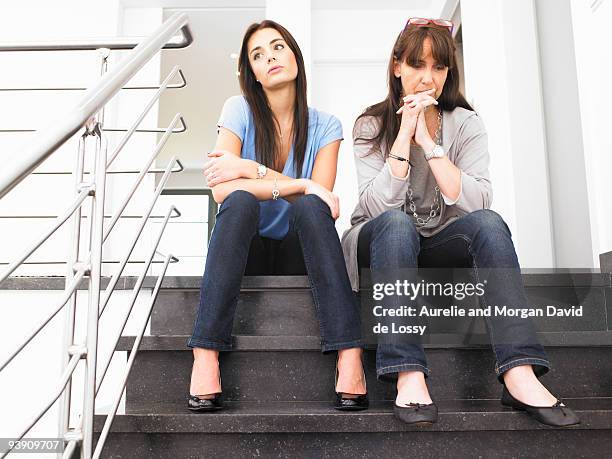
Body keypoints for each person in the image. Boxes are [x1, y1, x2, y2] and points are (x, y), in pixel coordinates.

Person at [341, 17, 579, 426]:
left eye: (438, 68)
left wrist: (429, 145)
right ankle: (408, 372)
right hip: (378, 239)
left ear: (449, 72)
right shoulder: (370, 124)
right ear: (397, 66)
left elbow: (478, 202)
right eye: (416, 65)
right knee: (397, 227)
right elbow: (376, 207)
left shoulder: (466, 123)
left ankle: (519, 372)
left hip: (438, 238)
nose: (426, 79)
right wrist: (403, 135)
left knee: (489, 223)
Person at [187, 20, 368, 412]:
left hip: (296, 252)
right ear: (251, 73)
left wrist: (251, 170)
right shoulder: (238, 110)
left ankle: (349, 352)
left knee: (309, 206)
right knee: (239, 204)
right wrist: (289, 181)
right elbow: (221, 189)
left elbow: (320, 203)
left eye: (277, 47)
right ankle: (205, 353)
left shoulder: (326, 126)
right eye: (257, 54)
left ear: (295, 58)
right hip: (246, 248)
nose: (269, 56)